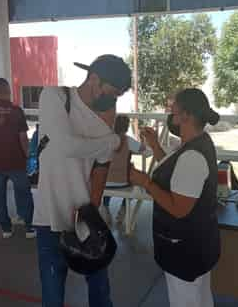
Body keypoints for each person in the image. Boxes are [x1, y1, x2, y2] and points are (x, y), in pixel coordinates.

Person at [33, 54, 131, 307]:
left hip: (85, 216)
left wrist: (93, 209)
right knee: (52, 294)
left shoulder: (102, 120)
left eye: (117, 97)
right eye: (110, 93)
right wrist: (113, 140)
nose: (112, 101)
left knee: (100, 291)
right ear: (94, 78)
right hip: (49, 214)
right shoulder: (56, 97)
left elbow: (101, 168)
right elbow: (65, 145)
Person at [130, 88, 221, 307]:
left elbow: (178, 208)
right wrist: (155, 147)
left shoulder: (192, 157)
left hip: (185, 249)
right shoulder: (198, 143)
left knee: (186, 300)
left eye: (173, 111)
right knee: (200, 298)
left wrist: (146, 183)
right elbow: (177, 175)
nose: (170, 115)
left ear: (186, 116)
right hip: (198, 244)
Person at [0, 78, 35, 239]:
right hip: (15, 161)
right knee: (24, 193)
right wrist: (28, 156)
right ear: (8, 90)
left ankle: (6, 229)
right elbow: (23, 137)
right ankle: (29, 227)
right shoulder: (16, 111)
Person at [101, 115, 146, 226]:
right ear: (126, 127)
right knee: (135, 184)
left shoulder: (107, 139)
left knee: (108, 187)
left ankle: (105, 208)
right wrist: (143, 139)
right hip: (123, 181)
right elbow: (143, 149)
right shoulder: (128, 141)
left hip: (104, 181)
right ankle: (123, 210)